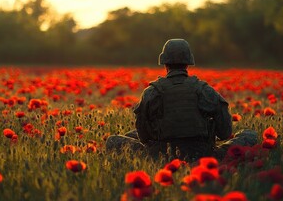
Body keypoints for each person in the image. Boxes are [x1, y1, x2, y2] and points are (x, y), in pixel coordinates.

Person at [106, 39, 258, 161]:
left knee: (114, 140)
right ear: (188, 63)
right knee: (250, 135)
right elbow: (225, 133)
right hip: (203, 156)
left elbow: (144, 136)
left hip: (161, 155)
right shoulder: (204, 90)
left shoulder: (151, 92)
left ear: (165, 63)